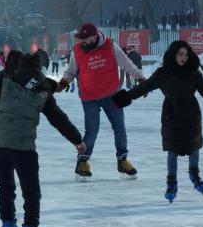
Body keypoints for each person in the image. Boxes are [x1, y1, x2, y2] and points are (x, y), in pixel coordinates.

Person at [0, 51, 86, 227]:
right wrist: (77, 140)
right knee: (31, 191)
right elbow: (58, 119)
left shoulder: (5, 78)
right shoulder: (43, 88)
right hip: (22, 145)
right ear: (38, 68)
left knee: (6, 187)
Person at [112, 41, 203, 203]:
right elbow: (144, 87)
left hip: (191, 115)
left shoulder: (193, 73)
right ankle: (171, 183)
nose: (183, 58)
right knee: (172, 150)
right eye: (180, 54)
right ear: (173, 55)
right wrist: (127, 97)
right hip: (172, 114)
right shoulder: (163, 73)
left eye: (186, 55)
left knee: (194, 147)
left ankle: (194, 175)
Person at [57, 22, 145, 180]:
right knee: (91, 131)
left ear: (95, 36)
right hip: (89, 98)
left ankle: (122, 160)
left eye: (86, 38)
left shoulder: (110, 46)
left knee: (120, 128)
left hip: (111, 95)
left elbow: (126, 64)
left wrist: (140, 78)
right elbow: (71, 71)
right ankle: (83, 162)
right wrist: (64, 83)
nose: (83, 42)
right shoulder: (77, 50)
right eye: (81, 39)